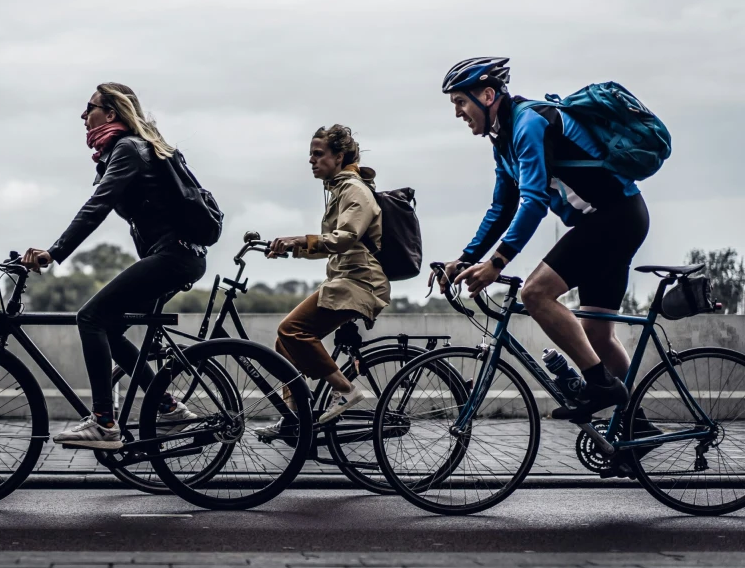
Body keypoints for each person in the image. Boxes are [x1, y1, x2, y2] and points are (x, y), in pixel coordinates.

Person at [434, 57, 651, 422]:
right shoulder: (502, 139)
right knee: (597, 335)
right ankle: (636, 427)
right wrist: (467, 257)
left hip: (615, 218)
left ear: (488, 95)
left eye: (460, 101)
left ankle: (600, 385)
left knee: (535, 293)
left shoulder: (529, 124)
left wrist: (497, 262)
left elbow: (533, 202)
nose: (457, 112)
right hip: (611, 220)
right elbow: (502, 207)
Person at [21, 83, 205, 450]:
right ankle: (168, 408)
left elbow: (98, 205)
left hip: (173, 256)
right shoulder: (128, 148)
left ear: (111, 113)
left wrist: (54, 253)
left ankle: (105, 422)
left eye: (89, 108)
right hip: (180, 256)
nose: (82, 116)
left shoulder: (127, 149)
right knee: (109, 328)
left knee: (89, 317)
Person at [259, 125, 391, 435]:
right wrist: (293, 248)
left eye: (318, 154)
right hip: (346, 280)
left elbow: (344, 238)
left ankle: (345, 390)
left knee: (291, 329)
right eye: (310, 155)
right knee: (285, 342)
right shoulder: (341, 190)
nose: (311, 160)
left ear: (339, 156)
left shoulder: (355, 190)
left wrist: (299, 239)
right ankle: (294, 416)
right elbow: (333, 243)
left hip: (360, 283)